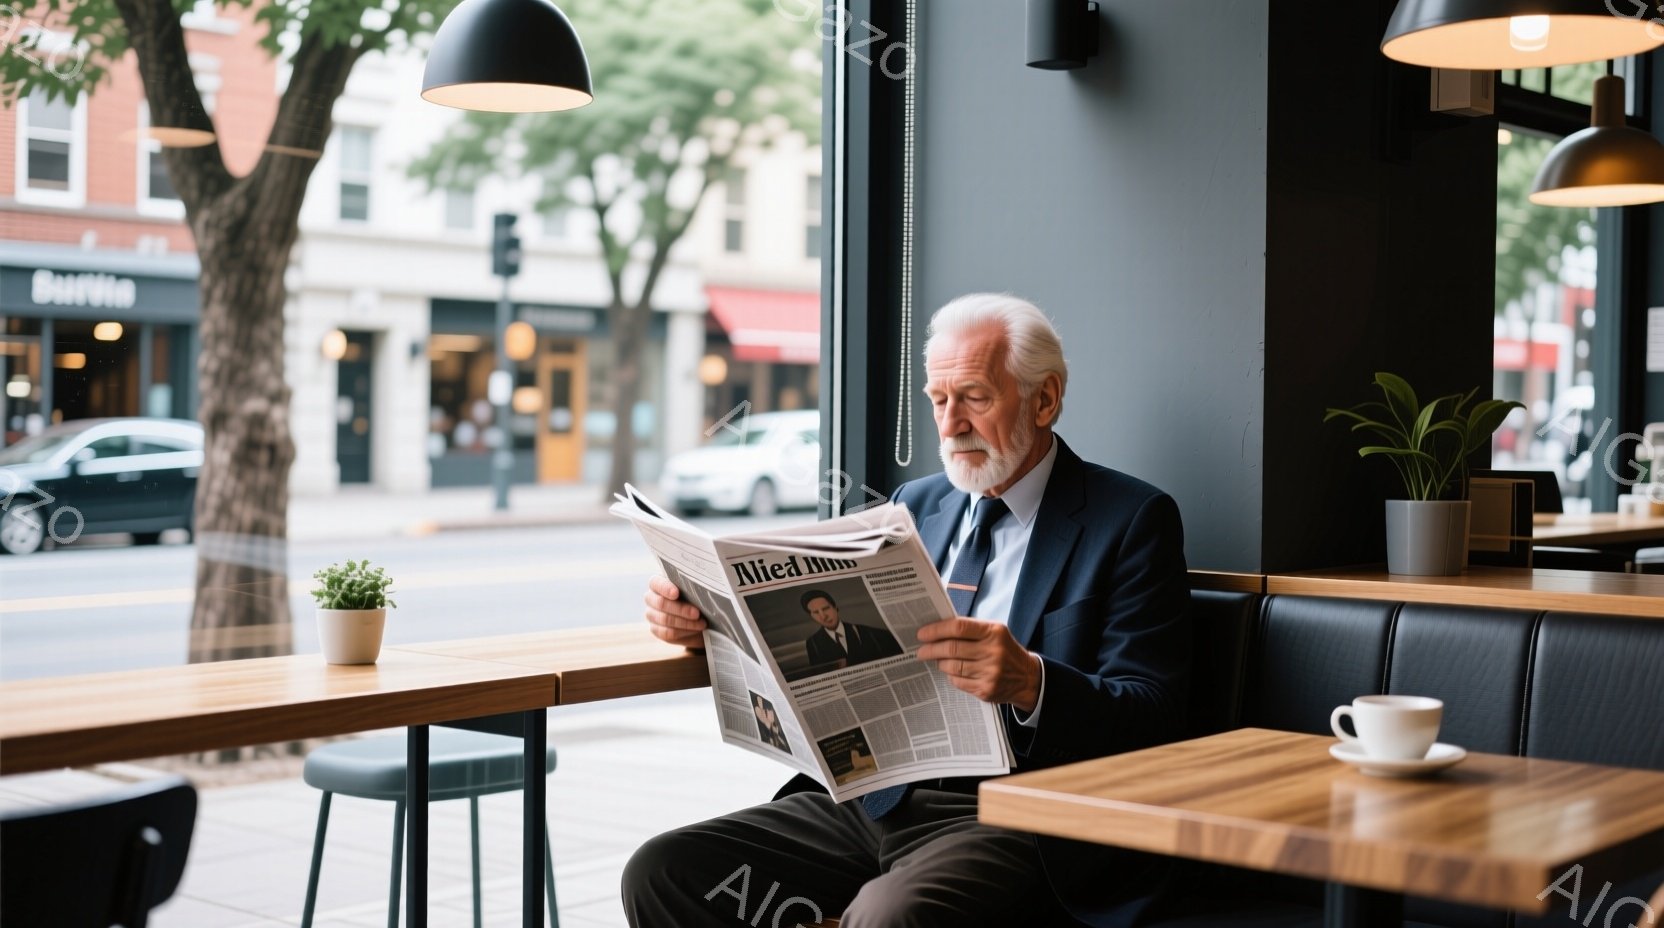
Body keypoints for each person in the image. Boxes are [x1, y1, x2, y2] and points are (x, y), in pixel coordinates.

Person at [627, 293, 1190, 927]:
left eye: (975, 397)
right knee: (665, 869)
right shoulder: (915, 504)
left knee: (887, 916)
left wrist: (1033, 683)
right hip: (878, 796)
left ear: (1044, 399)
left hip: (1016, 815)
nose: (950, 425)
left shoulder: (1129, 520)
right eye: (938, 401)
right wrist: (704, 625)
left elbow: (1157, 715)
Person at [800, 589, 904, 672]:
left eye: (826, 608)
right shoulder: (813, 643)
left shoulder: (874, 634)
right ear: (811, 616)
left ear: (835, 608)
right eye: (816, 612)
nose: (823, 616)